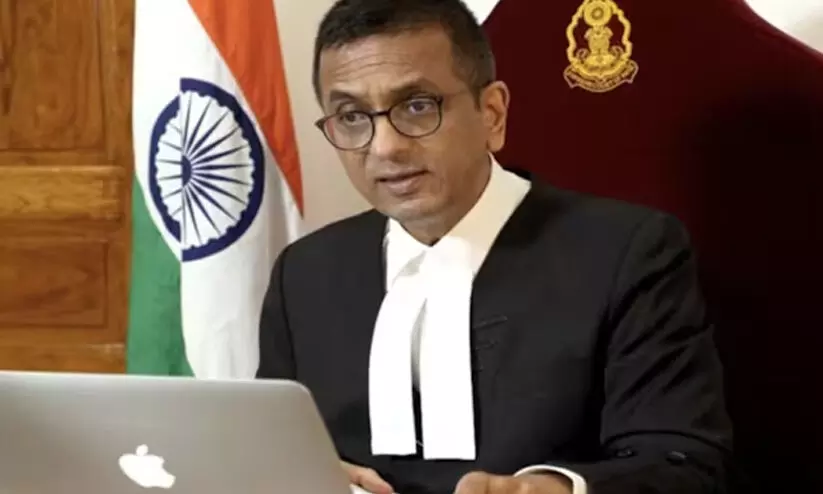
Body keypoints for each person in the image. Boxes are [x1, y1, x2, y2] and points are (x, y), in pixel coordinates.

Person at [256, 0, 733, 493]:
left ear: (492, 113)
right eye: (352, 116)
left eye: (418, 106)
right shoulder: (303, 274)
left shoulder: (627, 253)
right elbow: (265, 450)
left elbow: (684, 464)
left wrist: (557, 489)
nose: (385, 147)